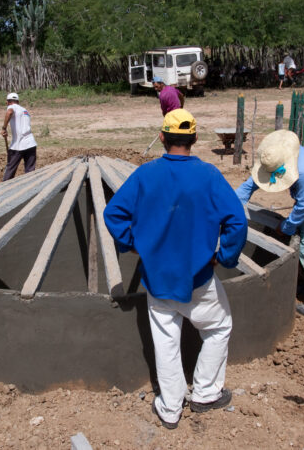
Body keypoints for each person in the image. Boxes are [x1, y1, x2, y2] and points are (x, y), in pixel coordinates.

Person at [104, 109, 247, 430]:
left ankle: (170, 409)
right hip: (198, 277)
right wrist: (224, 257)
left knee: (166, 341)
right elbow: (237, 221)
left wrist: (136, 245)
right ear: (195, 139)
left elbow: (113, 214)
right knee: (218, 328)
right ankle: (206, 393)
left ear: (163, 138)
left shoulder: (145, 174)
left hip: (157, 279)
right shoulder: (209, 175)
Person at [235, 130, 304, 318]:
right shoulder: (276, 157)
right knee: (302, 244)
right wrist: (232, 207)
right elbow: (249, 186)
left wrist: (286, 227)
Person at [1, 92, 38, 181]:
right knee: (30, 172)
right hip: (31, 144)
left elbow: (9, 112)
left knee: (10, 170)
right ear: (18, 101)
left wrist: (4, 128)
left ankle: (4, 189)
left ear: (8, 102)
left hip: (18, 145)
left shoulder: (11, 107)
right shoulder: (25, 110)